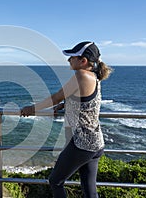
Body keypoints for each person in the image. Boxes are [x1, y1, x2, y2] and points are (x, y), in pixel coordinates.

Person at [20, 41, 112, 197]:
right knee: (90, 190)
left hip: (82, 144)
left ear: (83, 61)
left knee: (55, 181)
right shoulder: (94, 76)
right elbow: (86, 102)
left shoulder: (81, 75)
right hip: (96, 142)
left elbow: (55, 97)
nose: (69, 60)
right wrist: (66, 104)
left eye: (72, 57)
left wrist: (32, 109)